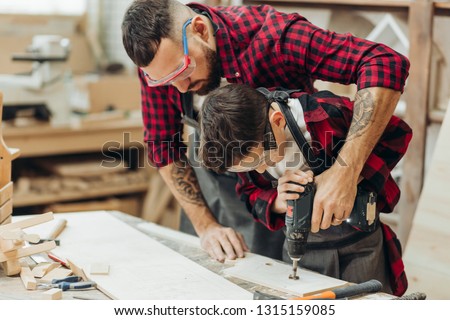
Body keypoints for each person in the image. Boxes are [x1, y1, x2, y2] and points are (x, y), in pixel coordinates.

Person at [121, 0, 410, 264]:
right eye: (166, 81)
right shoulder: (160, 65)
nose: (181, 88)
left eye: (184, 71)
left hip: (278, 191)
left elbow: (383, 62)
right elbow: (163, 145)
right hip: (216, 197)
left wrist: (344, 174)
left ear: (200, 30)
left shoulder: (275, 37)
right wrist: (206, 226)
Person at [199, 84, 412, 295]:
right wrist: (278, 201)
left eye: (262, 159)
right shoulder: (241, 144)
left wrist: (345, 176)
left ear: (278, 121)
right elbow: (249, 193)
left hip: (360, 245)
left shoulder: (325, 115)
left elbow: (396, 135)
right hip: (302, 248)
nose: (261, 169)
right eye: (251, 166)